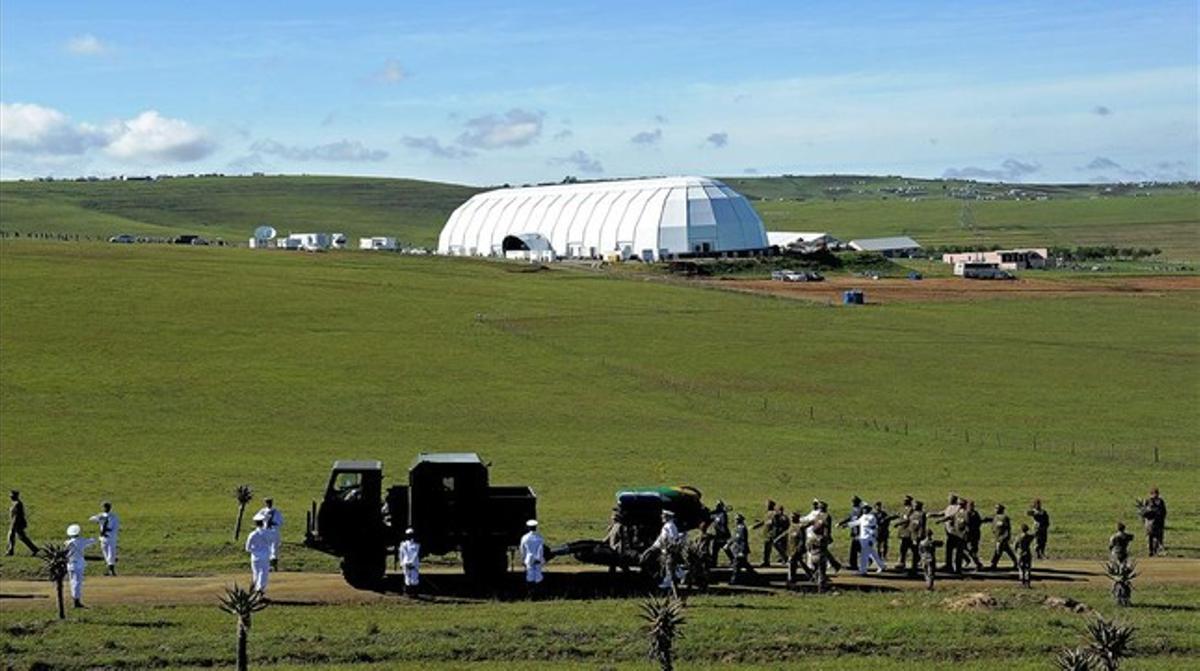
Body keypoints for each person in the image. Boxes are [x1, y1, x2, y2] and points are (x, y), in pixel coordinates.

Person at [643, 510, 685, 591]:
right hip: (664, 548)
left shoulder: (669, 526)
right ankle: (679, 576)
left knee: (669, 565)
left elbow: (673, 538)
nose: (662, 517)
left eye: (663, 516)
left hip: (668, 549)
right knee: (670, 566)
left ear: (667, 517)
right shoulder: (668, 525)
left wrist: (669, 547)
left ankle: (670, 581)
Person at [843, 503, 886, 575]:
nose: (863, 510)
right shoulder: (863, 516)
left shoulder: (872, 517)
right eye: (863, 509)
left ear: (868, 510)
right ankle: (882, 565)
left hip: (868, 539)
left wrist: (872, 539)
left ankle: (863, 570)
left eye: (865, 509)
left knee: (864, 555)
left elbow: (874, 529)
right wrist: (847, 525)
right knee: (873, 553)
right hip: (863, 538)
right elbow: (857, 522)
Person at [64, 524, 97, 608]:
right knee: (77, 583)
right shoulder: (81, 541)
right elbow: (92, 541)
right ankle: (76, 601)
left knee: (72, 582)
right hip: (78, 565)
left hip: (70, 564)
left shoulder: (67, 542)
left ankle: (74, 599)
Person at [930, 494, 963, 573]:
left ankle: (957, 567)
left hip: (955, 533)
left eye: (950, 498)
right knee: (949, 550)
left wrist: (941, 520)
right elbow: (942, 513)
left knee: (958, 551)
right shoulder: (949, 507)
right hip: (949, 533)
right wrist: (933, 515)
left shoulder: (957, 508)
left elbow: (951, 517)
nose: (948, 500)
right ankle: (949, 565)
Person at [88, 501, 120, 576]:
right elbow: (91, 519)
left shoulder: (114, 516)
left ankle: (111, 569)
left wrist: (109, 531)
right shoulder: (101, 515)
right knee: (105, 553)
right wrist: (98, 518)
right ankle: (109, 568)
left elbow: (116, 527)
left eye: (106, 507)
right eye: (104, 507)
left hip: (111, 537)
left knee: (111, 553)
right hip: (103, 537)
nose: (105, 508)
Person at [245, 514, 272, 595]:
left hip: (255, 557)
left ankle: (255, 589)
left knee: (256, 574)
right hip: (265, 556)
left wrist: (255, 550)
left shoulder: (252, 534)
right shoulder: (267, 533)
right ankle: (260, 590)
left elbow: (247, 548)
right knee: (264, 574)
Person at [985, 504, 1018, 570]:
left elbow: (1008, 528)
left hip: (1002, 538)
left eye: (997, 508)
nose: (995, 510)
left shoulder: (1005, 518)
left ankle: (993, 564)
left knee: (998, 551)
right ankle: (1016, 562)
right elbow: (988, 519)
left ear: (1000, 510)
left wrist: (1006, 537)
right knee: (1008, 550)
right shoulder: (995, 517)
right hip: (998, 537)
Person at [6, 490, 38, 556]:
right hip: (15, 523)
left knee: (11, 536)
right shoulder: (15, 503)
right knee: (22, 537)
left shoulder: (18, 504)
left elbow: (17, 515)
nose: (10, 497)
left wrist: (13, 524)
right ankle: (34, 549)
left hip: (17, 523)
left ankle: (10, 551)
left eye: (12, 495)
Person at [724, 512, 754, 585]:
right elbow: (734, 538)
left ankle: (733, 581)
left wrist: (742, 551)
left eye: (737, 519)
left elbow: (743, 540)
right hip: (737, 550)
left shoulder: (742, 528)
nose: (735, 520)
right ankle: (756, 578)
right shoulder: (737, 528)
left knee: (736, 567)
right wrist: (728, 544)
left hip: (740, 551)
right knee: (745, 566)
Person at [1137, 488, 1167, 557]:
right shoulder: (1153, 501)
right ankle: (1152, 551)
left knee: (1155, 539)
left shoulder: (1158, 501)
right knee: (1153, 538)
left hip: (1154, 524)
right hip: (1153, 524)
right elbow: (1164, 512)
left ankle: (1155, 551)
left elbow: (1164, 512)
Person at [255, 498, 284, 571]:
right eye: (267, 502)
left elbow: (280, 522)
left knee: (274, 549)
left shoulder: (276, 512)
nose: (268, 504)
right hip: (266, 531)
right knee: (268, 548)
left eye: (269, 502)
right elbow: (257, 518)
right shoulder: (263, 511)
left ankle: (274, 566)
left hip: (273, 531)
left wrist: (272, 523)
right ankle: (269, 566)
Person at [783, 511, 811, 585]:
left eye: (793, 517)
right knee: (799, 563)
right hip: (791, 548)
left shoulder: (800, 527)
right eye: (791, 517)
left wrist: (799, 548)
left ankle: (790, 579)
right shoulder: (791, 526)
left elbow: (802, 539)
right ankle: (811, 575)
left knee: (792, 563)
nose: (791, 518)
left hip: (797, 549)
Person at [519, 519, 546, 595]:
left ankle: (530, 592)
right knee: (538, 574)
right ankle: (538, 592)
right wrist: (540, 558)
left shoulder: (525, 537)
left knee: (529, 574)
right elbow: (541, 549)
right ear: (535, 527)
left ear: (528, 527)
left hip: (529, 558)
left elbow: (522, 549)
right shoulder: (539, 537)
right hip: (538, 557)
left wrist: (523, 559)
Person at [805, 520, 831, 592]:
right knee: (822, 573)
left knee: (815, 571)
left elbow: (808, 547)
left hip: (813, 556)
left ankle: (814, 585)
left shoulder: (811, 539)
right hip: (821, 556)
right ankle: (821, 588)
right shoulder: (823, 539)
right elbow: (828, 541)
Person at [840, 496, 864, 570]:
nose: (852, 503)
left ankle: (868, 558)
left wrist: (846, 525)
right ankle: (853, 564)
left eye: (854, 502)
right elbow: (849, 518)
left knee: (857, 548)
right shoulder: (853, 510)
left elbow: (858, 522)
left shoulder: (861, 511)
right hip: (854, 532)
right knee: (854, 548)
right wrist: (841, 522)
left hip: (860, 532)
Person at [962, 500, 985, 571]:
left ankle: (978, 564)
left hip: (970, 535)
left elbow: (966, 523)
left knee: (971, 550)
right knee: (967, 549)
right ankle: (971, 561)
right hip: (974, 534)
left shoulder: (967, 513)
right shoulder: (975, 513)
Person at [707, 501, 731, 567]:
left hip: (722, 535)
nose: (717, 507)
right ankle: (714, 563)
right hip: (717, 535)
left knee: (725, 549)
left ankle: (733, 561)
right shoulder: (715, 514)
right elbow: (709, 516)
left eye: (718, 505)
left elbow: (723, 526)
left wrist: (723, 535)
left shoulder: (723, 515)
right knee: (715, 550)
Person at [398, 528, 421, 596]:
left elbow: (415, 554)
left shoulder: (416, 545)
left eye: (411, 535)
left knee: (414, 579)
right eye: (408, 535)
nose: (410, 536)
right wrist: (402, 563)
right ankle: (407, 593)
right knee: (407, 578)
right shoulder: (403, 544)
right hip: (406, 564)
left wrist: (411, 563)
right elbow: (401, 554)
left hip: (414, 564)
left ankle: (415, 593)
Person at [1015, 523, 1035, 587]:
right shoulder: (1029, 537)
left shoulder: (1018, 537)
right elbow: (1034, 534)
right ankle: (1028, 582)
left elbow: (1015, 545)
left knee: (1020, 567)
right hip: (1027, 552)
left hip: (1020, 552)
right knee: (1027, 568)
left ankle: (1022, 582)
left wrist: (1016, 551)